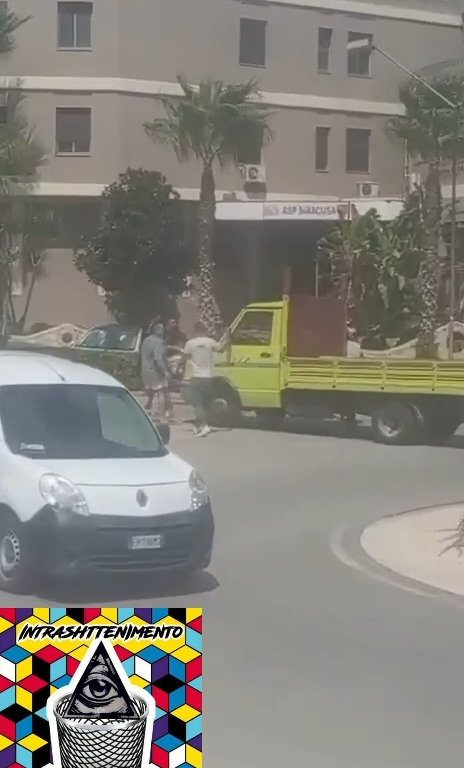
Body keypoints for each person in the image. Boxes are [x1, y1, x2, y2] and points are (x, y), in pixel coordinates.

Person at [183, 321, 229, 437]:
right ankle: (199, 426)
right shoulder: (210, 342)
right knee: (206, 403)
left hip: (195, 376)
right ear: (204, 330)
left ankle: (203, 426)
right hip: (208, 377)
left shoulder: (190, 343)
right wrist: (226, 336)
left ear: (195, 331)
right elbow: (221, 348)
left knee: (197, 404)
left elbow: (185, 358)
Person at [141, 320, 173, 421]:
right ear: (158, 331)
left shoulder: (146, 340)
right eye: (162, 329)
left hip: (145, 370)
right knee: (161, 391)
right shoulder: (159, 342)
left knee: (148, 392)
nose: (164, 330)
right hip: (155, 371)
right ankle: (161, 414)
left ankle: (144, 411)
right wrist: (165, 371)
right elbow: (158, 358)